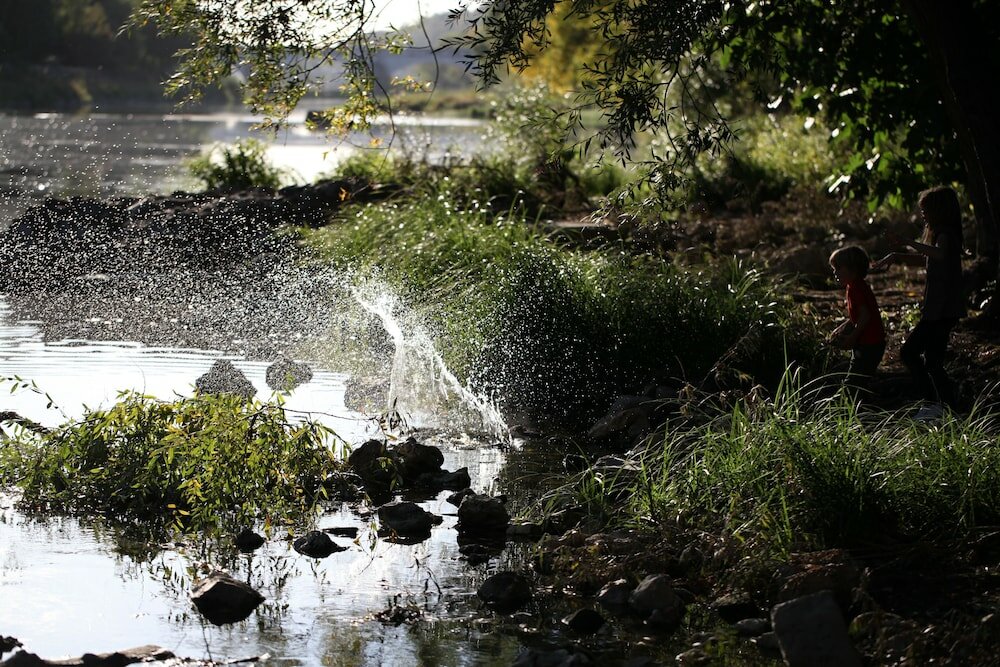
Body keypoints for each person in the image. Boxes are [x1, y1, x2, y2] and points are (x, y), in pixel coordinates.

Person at [873, 186, 967, 412]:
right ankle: (945, 403)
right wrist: (897, 256)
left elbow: (939, 255)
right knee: (932, 361)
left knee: (910, 353)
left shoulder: (945, 236)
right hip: (939, 309)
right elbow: (930, 259)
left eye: (926, 210)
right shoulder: (941, 237)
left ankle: (935, 402)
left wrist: (908, 241)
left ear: (939, 210)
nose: (922, 215)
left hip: (942, 309)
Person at [828, 245, 886, 391]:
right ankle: (864, 407)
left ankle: (860, 410)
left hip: (869, 344)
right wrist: (842, 327)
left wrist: (852, 337)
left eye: (838, 269)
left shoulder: (855, 289)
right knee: (859, 382)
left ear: (852, 269)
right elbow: (861, 315)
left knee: (852, 385)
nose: (835, 272)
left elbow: (865, 317)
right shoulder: (855, 286)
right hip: (872, 342)